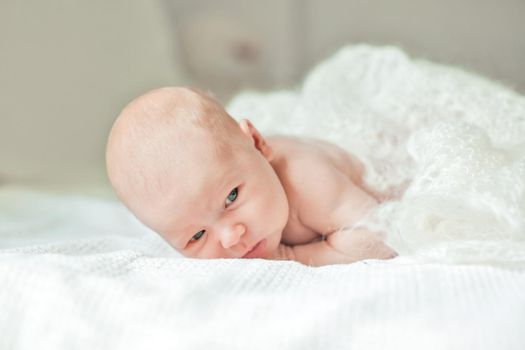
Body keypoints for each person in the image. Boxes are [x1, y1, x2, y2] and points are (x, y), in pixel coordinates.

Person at [105, 87, 397, 266]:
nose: (231, 238)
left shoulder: (306, 179)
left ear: (257, 143)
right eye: (196, 236)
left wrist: (290, 258)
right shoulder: (223, 182)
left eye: (232, 197)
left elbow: (380, 236)